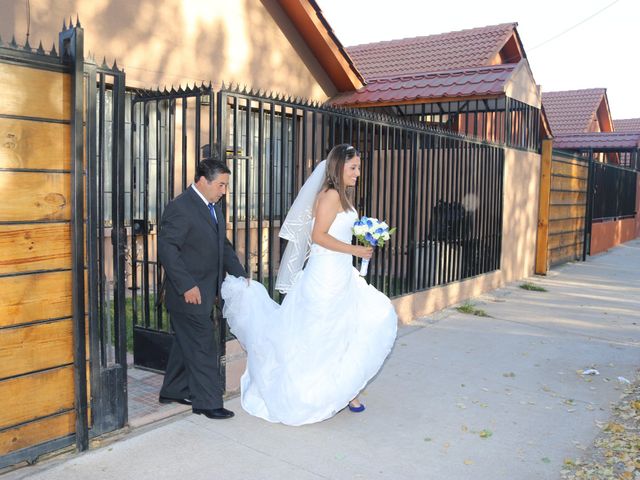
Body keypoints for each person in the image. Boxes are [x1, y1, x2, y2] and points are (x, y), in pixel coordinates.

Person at [221, 144, 398, 426]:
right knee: (322, 332)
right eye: (353, 167)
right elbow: (318, 236)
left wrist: (364, 238)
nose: (358, 173)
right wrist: (354, 250)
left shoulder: (344, 196)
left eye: (359, 167)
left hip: (341, 274)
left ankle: (346, 388)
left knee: (348, 327)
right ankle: (321, 391)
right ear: (338, 167)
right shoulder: (329, 196)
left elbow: (338, 231)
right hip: (325, 275)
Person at [158, 156, 248, 420]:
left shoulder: (212, 207)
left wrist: (240, 275)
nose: (224, 191)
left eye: (225, 185)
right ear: (201, 181)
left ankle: (173, 390)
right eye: (220, 185)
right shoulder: (180, 207)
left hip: (206, 291)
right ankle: (207, 403)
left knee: (186, 344)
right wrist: (186, 285)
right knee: (204, 347)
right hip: (188, 294)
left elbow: (224, 246)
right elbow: (167, 249)